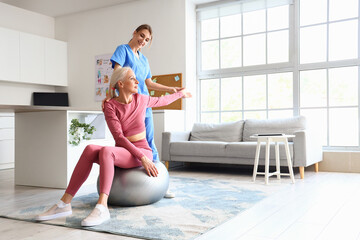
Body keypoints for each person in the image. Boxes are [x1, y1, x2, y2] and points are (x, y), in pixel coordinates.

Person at [36, 67, 191, 227]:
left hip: (143, 150)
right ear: (121, 84)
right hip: (128, 151)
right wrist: (141, 158)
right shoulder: (110, 106)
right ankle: (64, 204)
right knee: (90, 149)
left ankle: (102, 206)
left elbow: (162, 100)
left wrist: (181, 93)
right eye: (132, 78)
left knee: (107, 151)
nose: (137, 81)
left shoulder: (142, 99)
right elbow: (119, 138)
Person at [108, 24, 181, 198]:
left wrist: (170, 88)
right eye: (141, 35)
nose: (143, 41)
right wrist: (111, 94)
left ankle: (159, 183)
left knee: (150, 140)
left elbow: (148, 83)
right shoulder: (123, 50)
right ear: (134, 32)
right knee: (128, 139)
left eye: (147, 40)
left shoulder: (145, 60)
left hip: (144, 103)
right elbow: (117, 74)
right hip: (129, 104)